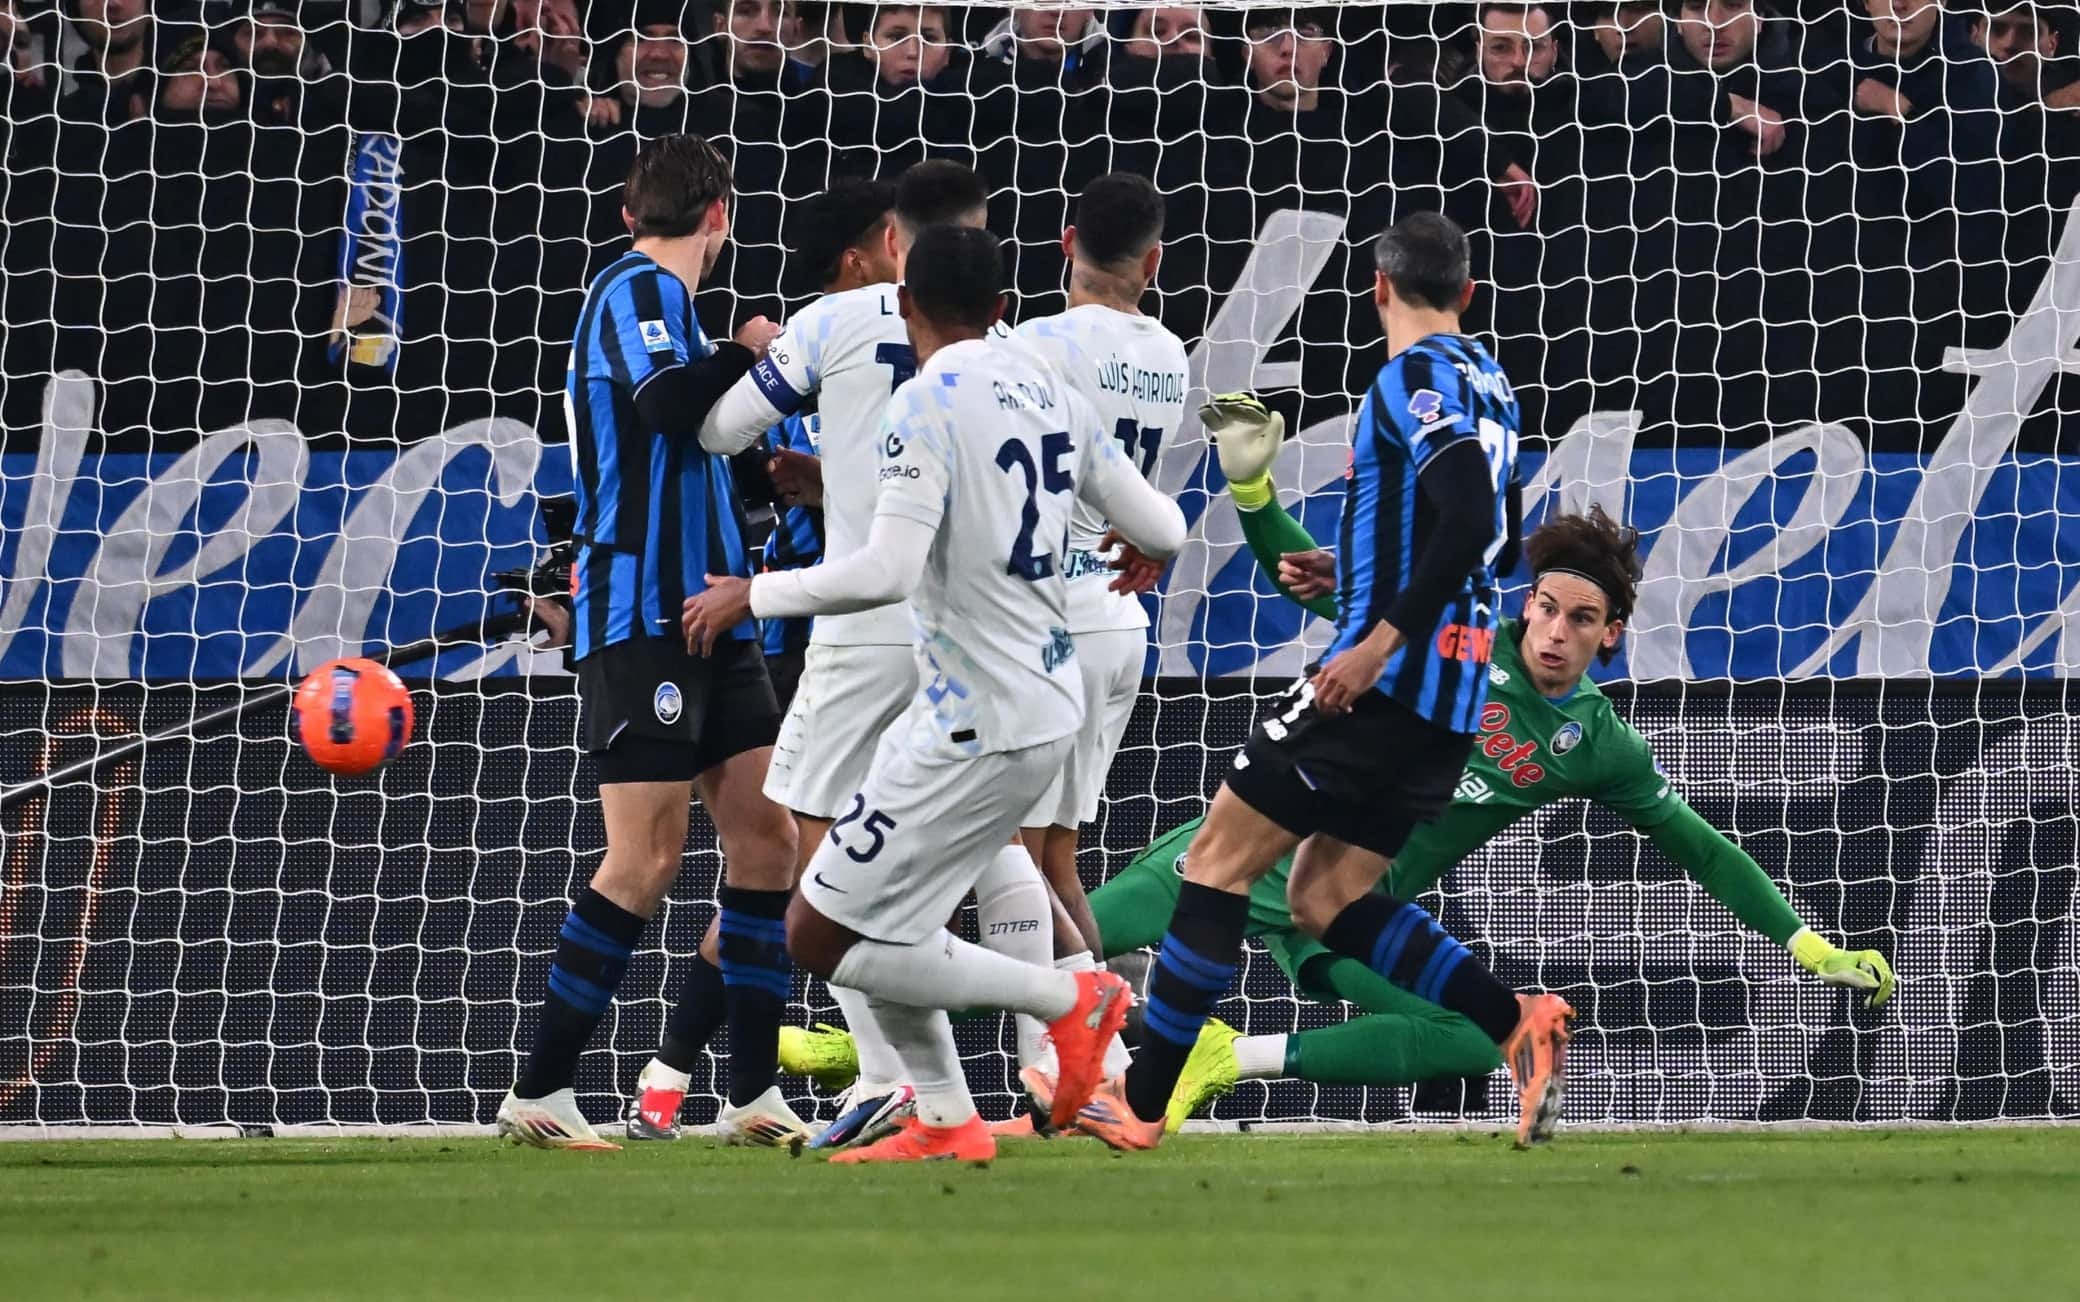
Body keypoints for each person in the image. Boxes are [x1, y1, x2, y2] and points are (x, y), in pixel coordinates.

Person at [1091, 484, 1898, 1130]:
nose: (1555, 631)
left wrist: (1811, 946)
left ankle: (1228, 1057)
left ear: (1610, 635)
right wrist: (1254, 490)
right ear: (1528, 602)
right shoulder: (1456, 638)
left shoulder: (1597, 744)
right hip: (1253, 846)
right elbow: (1308, 582)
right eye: (1546, 607)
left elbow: (1703, 849)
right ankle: (1040, 1069)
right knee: (1067, 943)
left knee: (1476, 1037)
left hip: (1347, 908)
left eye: (1581, 619)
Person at [1061, 211, 1573, 1153]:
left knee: (1212, 863)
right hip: (1452, 699)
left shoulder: (1414, 377)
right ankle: (1515, 1021)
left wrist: (1376, 640)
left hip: (1387, 684)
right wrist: (1357, 567)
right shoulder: (1491, 382)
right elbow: (1497, 538)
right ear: (1466, 293)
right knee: (1324, 901)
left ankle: (1142, 1102)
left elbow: (1468, 519)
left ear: (1377, 287)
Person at [681, 223, 1188, 1164]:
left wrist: (756, 592)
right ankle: (948, 1118)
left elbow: (886, 570)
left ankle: (1070, 998)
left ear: (906, 302)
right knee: (894, 917)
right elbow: (1164, 524)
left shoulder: (924, 402)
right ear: (1002, 309)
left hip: (973, 721)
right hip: (1046, 702)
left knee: (819, 930)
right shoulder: (1053, 389)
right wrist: (1146, 547)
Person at [629, 163, 1007, 1143]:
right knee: (978, 849)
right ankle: (1058, 1055)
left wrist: (738, 369)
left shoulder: (825, 327)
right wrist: (832, 478)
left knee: (794, 858)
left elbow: (716, 430)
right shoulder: (1000, 349)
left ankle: (874, 1076)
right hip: (970, 627)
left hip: (847, 628)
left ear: (889, 244)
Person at [495, 134, 804, 1153]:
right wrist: (752, 352)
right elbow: (666, 405)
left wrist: (763, 470)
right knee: (645, 858)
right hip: (644, 616)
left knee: (768, 841)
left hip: (717, 610)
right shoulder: (636, 291)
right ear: (720, 216)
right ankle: (541, 1089)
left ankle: (750, 1095)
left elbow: (682, 443)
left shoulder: (671, 308)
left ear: (634, 210)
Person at [1007, 171, 1187, 966]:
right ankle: (1100, 1023)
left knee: (1012, 860)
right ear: (1153, 262)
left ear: (1067, 243)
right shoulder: (1170, 354)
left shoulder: (1033, 345)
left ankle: (1085, 1008)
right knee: (1055, 859)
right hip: (1120, 619)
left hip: (1054, 624)